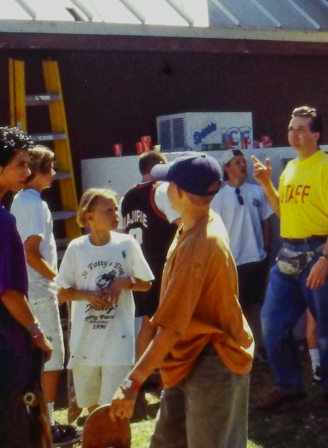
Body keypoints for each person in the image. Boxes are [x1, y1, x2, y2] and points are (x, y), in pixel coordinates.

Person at [110, 153, 254, 448]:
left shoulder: (199, 244)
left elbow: (170, 328)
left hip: (214, 360)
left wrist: (132, 382)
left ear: (180, 192)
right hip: (187, 356)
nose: (160, 187)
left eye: (167, 183)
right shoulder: (197, 222)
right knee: (166, 442)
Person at [252, 105, 328, 409]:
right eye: (291, 128)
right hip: (289, 253)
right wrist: (266, 184)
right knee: (272, 322)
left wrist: (326, 259)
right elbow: (283, 212)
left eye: (300, 129)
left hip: (321, 252)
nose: (293, 134)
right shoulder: (291, 169)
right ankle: (290, 386)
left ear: (316, 134)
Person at [0, 126, 53, 448]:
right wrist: (36, 332)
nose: (27, 171)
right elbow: (8, 291)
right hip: (4, 358)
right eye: (20, 164)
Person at [58, 189, 154, 415]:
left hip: (118, 341)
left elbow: (146, 283)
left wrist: (124, 282)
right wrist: (89, 296)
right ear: (89, 217)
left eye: (116, 209)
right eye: (107, 210)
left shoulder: (127, 244)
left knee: (113, 408)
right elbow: (63, 292)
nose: (115, 215)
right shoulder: (76, 248)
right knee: (93, 410)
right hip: (85, 342)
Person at [10, 145, 80, 444]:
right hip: (39, 290)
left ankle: (38, 421)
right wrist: (60, 280)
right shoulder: (35, 204)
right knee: (52, 358)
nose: (53, 173)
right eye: (50, 168)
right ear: (38, 171)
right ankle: (47, 425)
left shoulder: (19, 200)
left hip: (29, 289)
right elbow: (31, 252)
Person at [211, 149, 275, 357]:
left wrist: (266, 248)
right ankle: (244, 347)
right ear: (227, 168)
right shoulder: (219, 198)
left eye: (243, 162)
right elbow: (216, 229)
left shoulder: (257, 191)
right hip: (234, 260)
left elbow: (266, 221)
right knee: (239, 306)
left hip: (257, 257)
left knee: (258, 304)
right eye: (237, 162)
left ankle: (261, 345)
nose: (242, 165)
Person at [121, 150, 180, 359]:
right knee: (168, 325)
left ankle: (142, 373)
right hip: (161, 267)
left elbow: (120, 235)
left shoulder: (127, 197)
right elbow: (183, 225)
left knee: (148, 323)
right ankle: (166, 376)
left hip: (138, 268)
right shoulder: (161, 190)